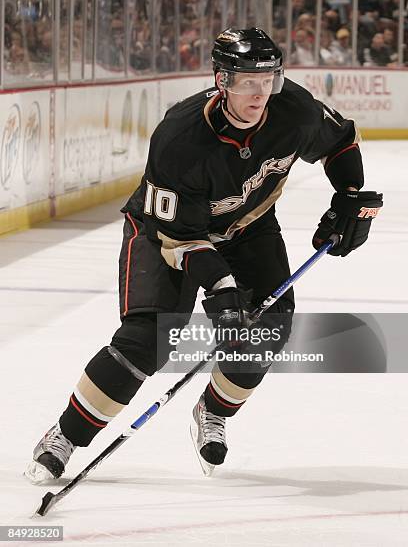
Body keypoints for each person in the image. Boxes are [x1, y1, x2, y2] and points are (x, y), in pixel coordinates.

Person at [25, 27, 382, 482]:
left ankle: (212, 413)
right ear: (222, 81)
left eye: (269, 79)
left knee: (264, 332)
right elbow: (181, 240)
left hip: (247, 229)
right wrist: (221, 288)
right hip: (166, 234)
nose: (261, 93)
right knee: (146, 340)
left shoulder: (293, 109)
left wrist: (350, 195)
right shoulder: (180, 138)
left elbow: (340, 142)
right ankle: (65, 435)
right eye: (248, 82)